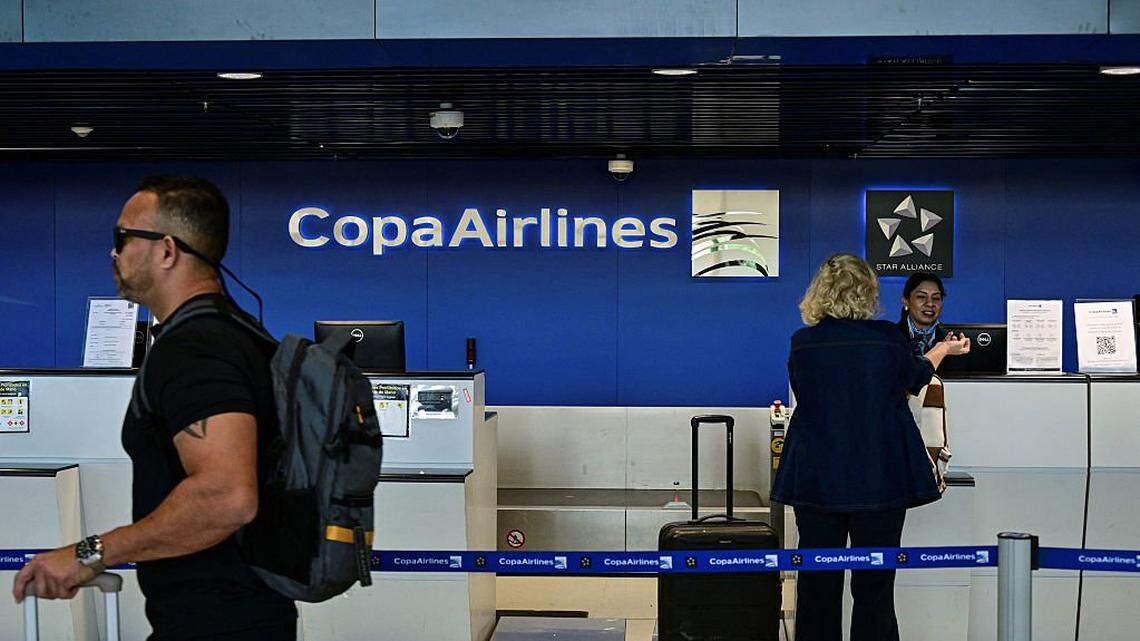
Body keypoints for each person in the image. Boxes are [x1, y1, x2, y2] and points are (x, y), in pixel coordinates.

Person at [12, 176, 296, 640]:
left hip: (216, 626)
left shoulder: (196, 348)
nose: (113, 252)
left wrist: (90, 553)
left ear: (167, 250)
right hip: (241, 618)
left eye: (123, 238)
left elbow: (226, 496)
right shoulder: (238, 334)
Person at [770, 254, 969, 641]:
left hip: (817, 482)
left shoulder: (803, 343)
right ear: (868, 293)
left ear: (821, 293)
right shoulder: (886, 338)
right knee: (875, 588)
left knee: (816, 586)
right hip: (879, 479)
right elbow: (912, 379)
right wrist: (943, 350)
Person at [897, 272, 951, 358]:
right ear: (905, 301)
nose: (930, 303)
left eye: (936, 298)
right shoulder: (890, 338)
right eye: (921, 297)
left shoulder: (954, 340)